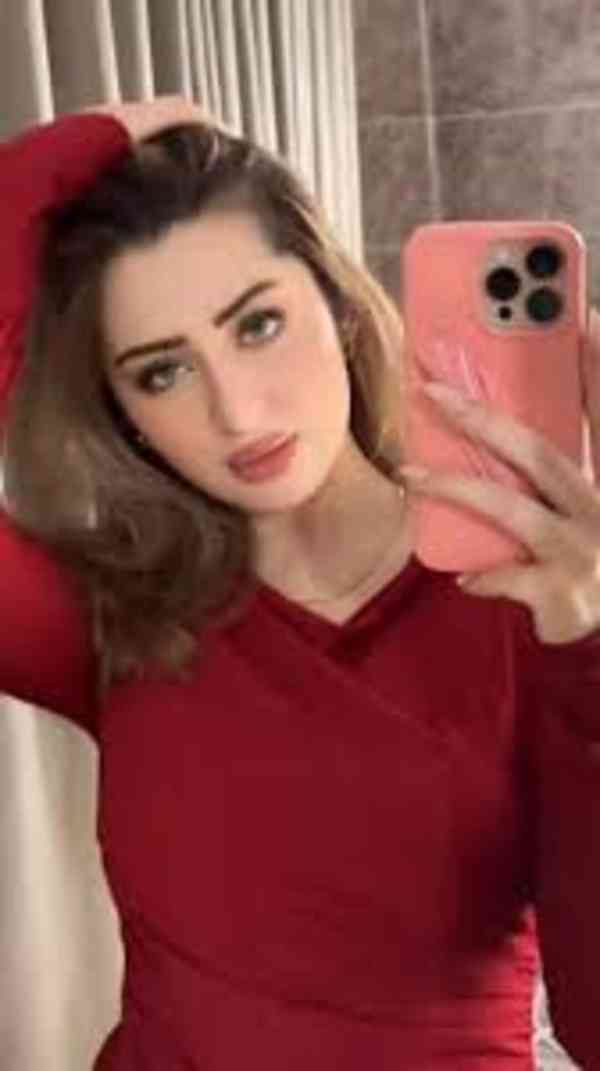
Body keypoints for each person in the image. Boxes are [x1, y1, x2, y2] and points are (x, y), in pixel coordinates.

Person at [0, 95, 599, 1070]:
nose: (237, 412)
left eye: (259, 324)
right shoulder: (118, 610)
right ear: (125, 414)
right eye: (161, 372)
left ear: (338, 298)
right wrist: (105, 135)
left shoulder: (531, 602)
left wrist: (590, 650)